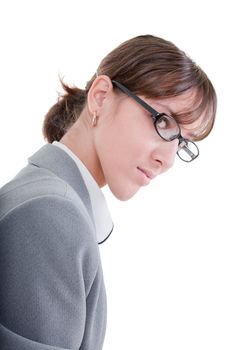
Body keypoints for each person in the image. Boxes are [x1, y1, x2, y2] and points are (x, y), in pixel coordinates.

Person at [0, 34, 216, 349]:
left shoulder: (55, 199)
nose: (167, 159)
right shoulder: (49, 212)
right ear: (101, 96)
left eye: (181, 142)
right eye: (163, 123)